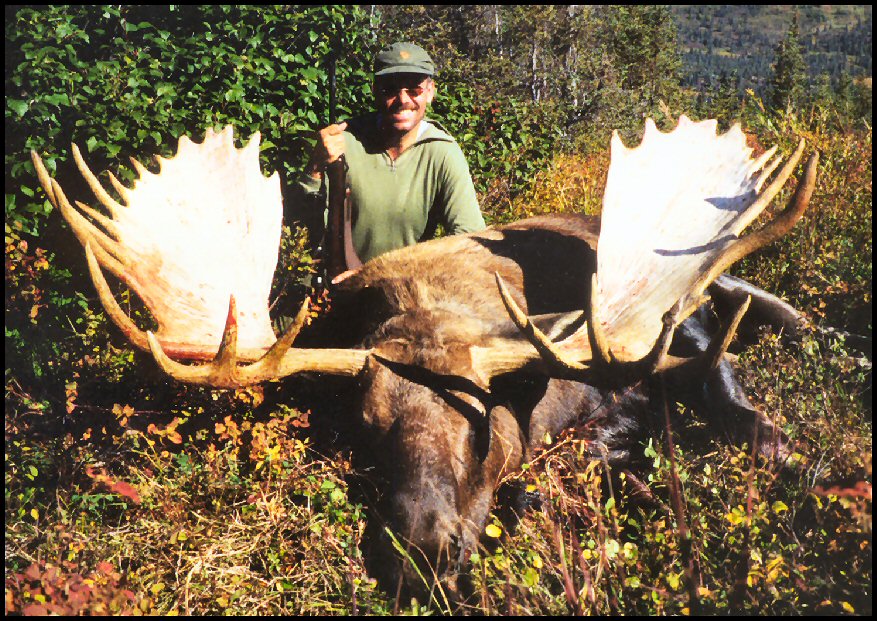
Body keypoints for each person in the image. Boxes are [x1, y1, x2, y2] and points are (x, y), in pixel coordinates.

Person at [288, 42, 485, 275]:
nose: (403, 99)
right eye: (390, 89)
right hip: (338, 288)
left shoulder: (443, 151)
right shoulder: (344, 142)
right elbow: (297, 223)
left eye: (414, 89)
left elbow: (469, 238)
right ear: (374, 90)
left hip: (410, 290)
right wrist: (315, 167)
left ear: (430, 92)